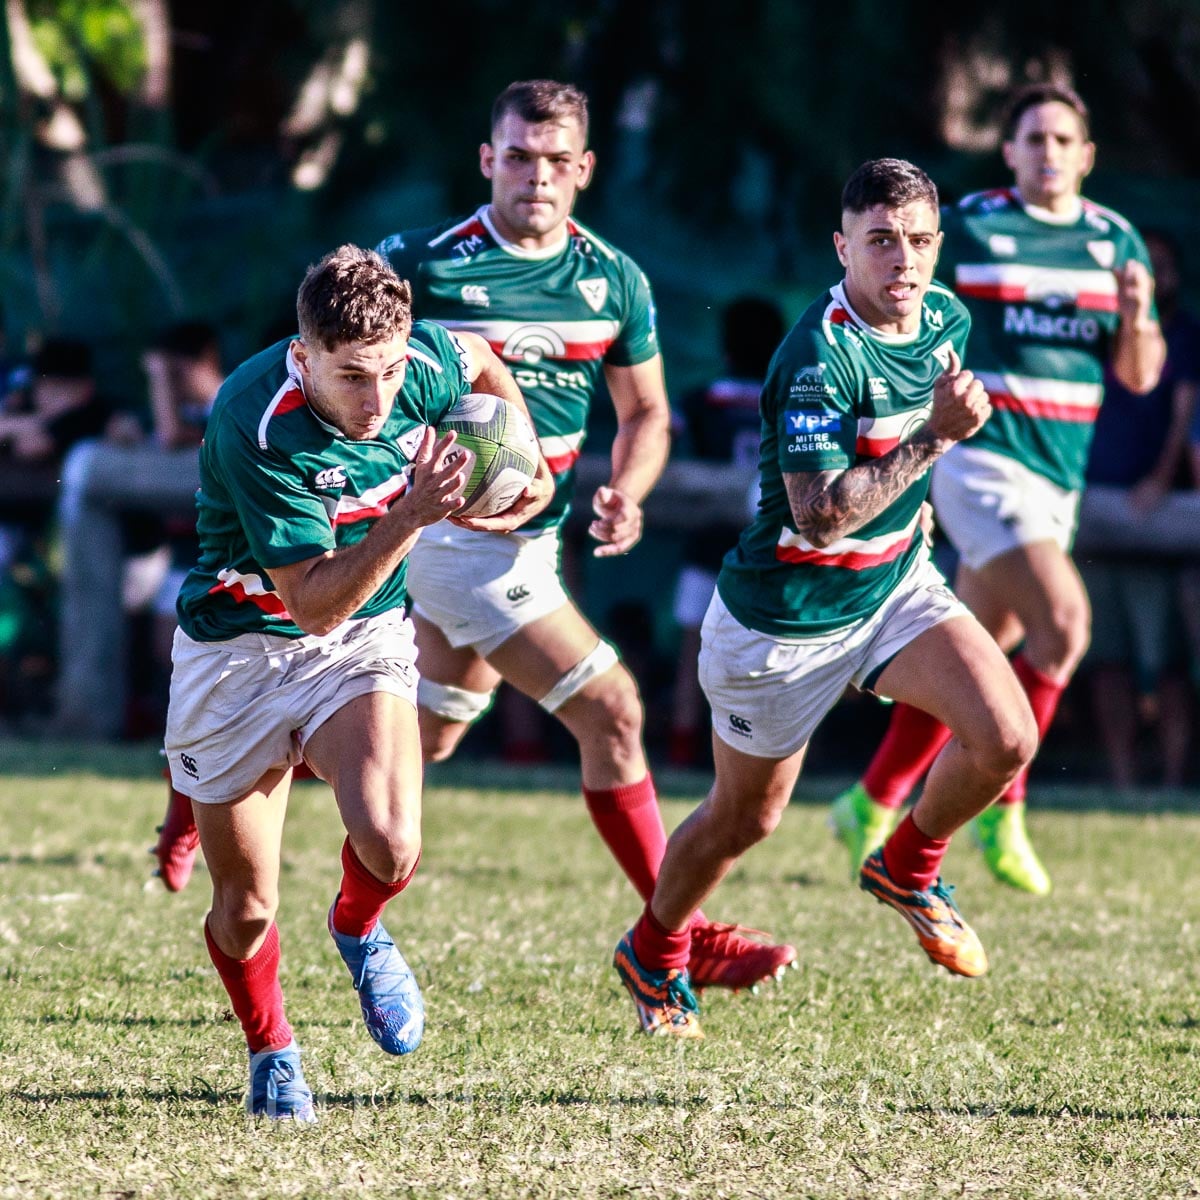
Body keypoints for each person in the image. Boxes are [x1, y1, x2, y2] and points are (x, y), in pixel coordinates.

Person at [378, 79, 796, 989]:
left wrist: (627, 489)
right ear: (487, 159)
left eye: (555, 161)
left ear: (585, 170)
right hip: (449, 539)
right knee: (613, 714)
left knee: (424, 739)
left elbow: (645, 412)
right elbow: (346, 376)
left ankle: (223, 778)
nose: (536, 175)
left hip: (532, 545)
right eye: (518, 156)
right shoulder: (419, 264)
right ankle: (672, 940)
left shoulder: (614, 277)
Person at [613, 158, 1038, 1038]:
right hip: (781, 626)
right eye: (881, 241)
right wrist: (932, 440)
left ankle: (908, 866)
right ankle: (654, 953)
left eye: (920, 241)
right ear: (842, 247)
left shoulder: (946, 319)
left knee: (1007, 736)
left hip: (890, 594)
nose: (904, 261)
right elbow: (818, 517)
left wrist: (920, 513)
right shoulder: (817, 355)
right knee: (744, 819)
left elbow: (908, 469)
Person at [163, 244, 549, 1120]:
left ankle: (359, 926)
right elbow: (312, 607)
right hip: (241, 652)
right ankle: (272, 1050)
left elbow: (483, 359)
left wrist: (522, 452)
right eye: (350, 378)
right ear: (303, 359)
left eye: (388, 370)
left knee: (391, 842)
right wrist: (414, 513)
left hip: (363, 642)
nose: (376, 401)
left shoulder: (419, 360)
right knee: (247, 906)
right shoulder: (257, 424)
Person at [830, 84, 1165, 894]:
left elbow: (1138, 376)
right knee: (1066, 621)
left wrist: (1140, 318)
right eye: (1033, 139)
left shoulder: (1116, 241)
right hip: (981, 461)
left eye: (1063, 140)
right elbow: (901, 308)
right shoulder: (972, 225)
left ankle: (868, 801)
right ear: (1009, 151)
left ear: (1086, 156)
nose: (1048, 153)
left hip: (1060, 477)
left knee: (985, 645)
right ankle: (1000, 809)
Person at [1080, 229, 1198, 788]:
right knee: (1107, 660)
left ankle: (1173, 781)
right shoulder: (1094, 334)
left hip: (1156, 520)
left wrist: (1158, 480)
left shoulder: (1188, 338)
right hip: (1093, 509)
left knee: (1168, 663)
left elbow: (1184, 418)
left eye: (1162, 266)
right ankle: (1123, 780)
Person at [668, 295, 786, 767]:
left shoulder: (703, 397)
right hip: (770, 546)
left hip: (708, 540)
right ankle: (768, 755)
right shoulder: (786, 395)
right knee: (772, 656)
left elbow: (665, 435)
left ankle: (681, 746)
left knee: (691, 650)